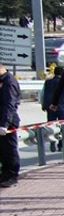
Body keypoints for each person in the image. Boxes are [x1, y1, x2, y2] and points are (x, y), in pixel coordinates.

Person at [0, 61, 19, 189]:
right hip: (2, 120)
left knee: (10, 150)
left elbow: (9, 104)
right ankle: (5, 174)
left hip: (8, 122)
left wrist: (4, 124)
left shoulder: (9, 82)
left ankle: (12, 176)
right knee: (2, 151)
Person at [42, 64, 64, 154]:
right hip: (61, 106)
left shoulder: (48, 82)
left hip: (50, 107)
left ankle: (52, 141)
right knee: (63, 127)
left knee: (51, 126)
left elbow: (44, 93)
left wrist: (44, 105)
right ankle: (61, 144)